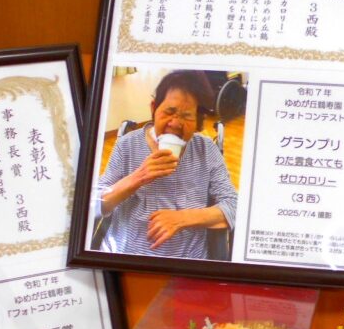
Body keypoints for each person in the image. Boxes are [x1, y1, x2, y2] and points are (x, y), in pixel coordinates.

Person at [96, 70, 238, 259]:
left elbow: (233, 205)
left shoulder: (206, 150)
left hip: (186, 261)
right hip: (126, 255)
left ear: (197, 120)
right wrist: (139, 176)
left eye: (187, 116)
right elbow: (94, 204)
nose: (175, 123)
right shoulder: (128, 145)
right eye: (169, 112)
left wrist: (182, 219)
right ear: (154, 108)